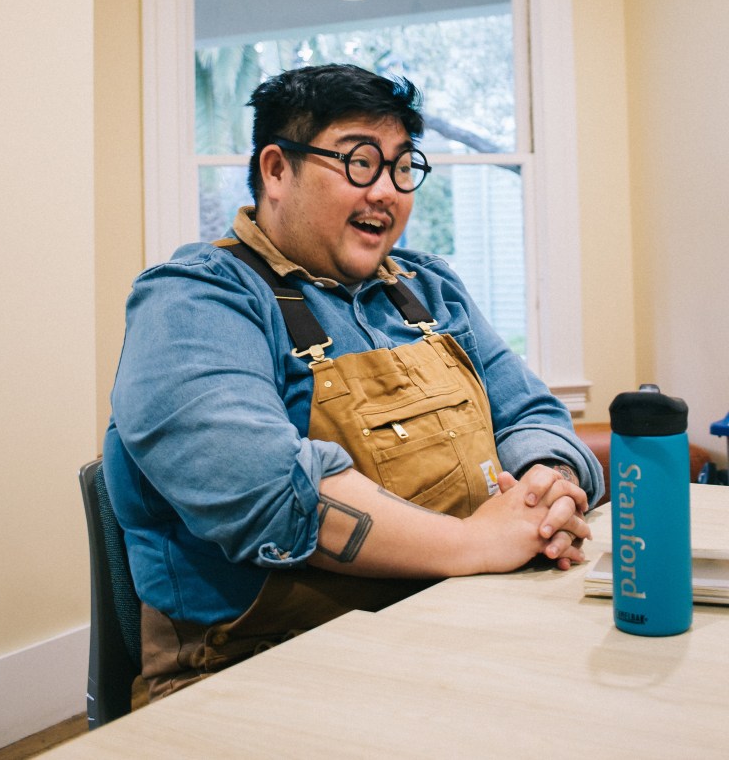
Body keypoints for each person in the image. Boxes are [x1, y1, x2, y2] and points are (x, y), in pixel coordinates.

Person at [103, 63, 604, 700]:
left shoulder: (428, 289)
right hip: (264, 674)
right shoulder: (195, 301)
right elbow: (270, 492)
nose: (386, 192)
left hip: (461, 627)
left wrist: (548, 488)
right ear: (276, 170)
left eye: (401, 167)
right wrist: (473, 543)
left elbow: (532, 414)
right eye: (359, 162)